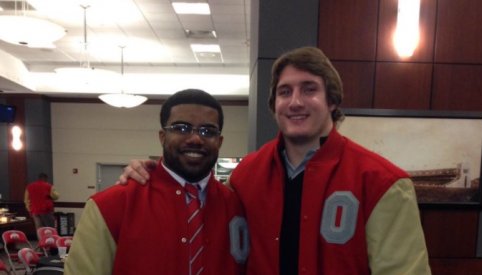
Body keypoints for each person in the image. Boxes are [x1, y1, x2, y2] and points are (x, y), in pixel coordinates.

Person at [119, 47, 431, 275]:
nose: (295, 102)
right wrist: (153, 173)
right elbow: (197, 209)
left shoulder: (382, 183)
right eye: (285, 92)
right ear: (274, 105)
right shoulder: (245, 177)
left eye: (309, 89)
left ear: (332, 101)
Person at [65, 89, 248, 275]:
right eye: (182, 128)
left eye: (207, 131)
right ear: (162, 137)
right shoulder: (109, 206)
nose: (195, 138)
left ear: (220, 141)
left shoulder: (237, 206)